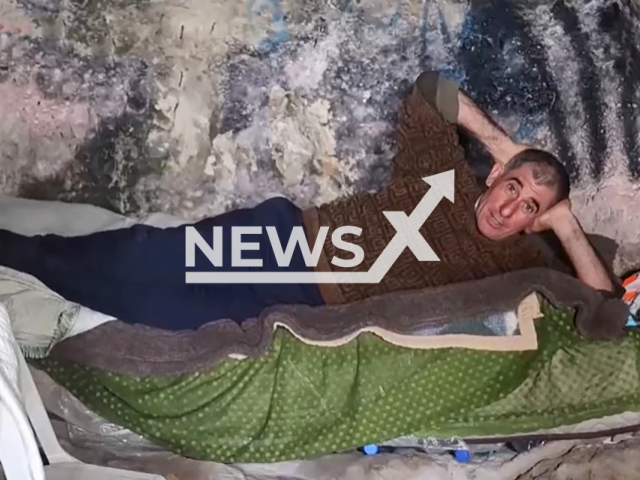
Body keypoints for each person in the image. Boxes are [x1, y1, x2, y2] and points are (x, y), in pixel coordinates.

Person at [0, 71, 622, 330]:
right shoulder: (446, 175)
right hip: (288, 243)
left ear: (536, 222)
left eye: (530, 207)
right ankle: (21, 252)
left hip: (310, 302)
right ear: (496, 178)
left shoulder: (519, 262)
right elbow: (431, 89)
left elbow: (605, 311)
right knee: (143, 260)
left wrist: (565, 222)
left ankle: (39, 274)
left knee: (156, 312)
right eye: (513, 187)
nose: (512, 208)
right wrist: (502, 144)